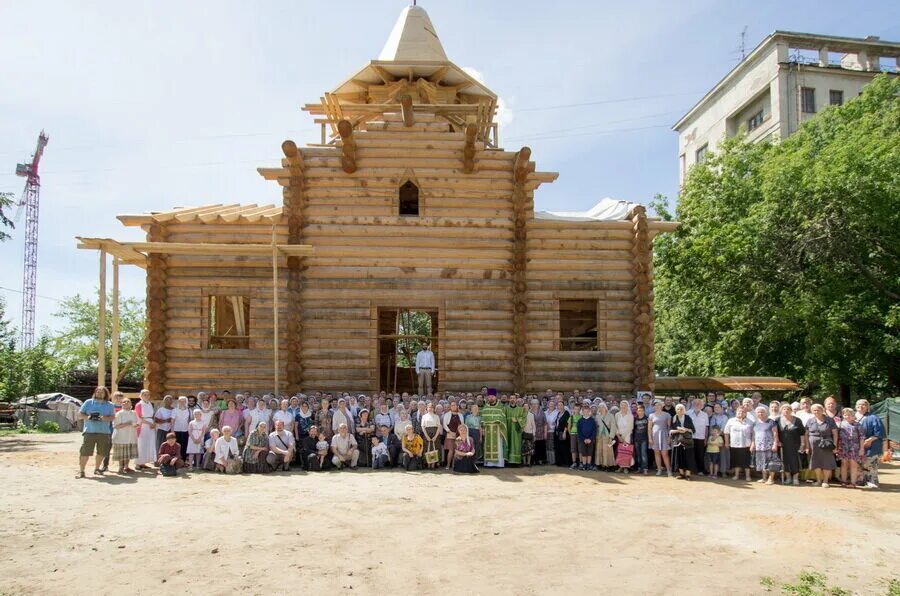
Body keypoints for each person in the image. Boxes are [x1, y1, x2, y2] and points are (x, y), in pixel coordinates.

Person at [77, 387, 116, 478]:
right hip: (89, 431)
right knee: (85, 452)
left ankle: (97, 469)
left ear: (105, 394)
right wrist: (89, 417)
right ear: (95, 392)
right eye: (98, 391)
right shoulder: (88, 402)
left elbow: (112, 417)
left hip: (104, 432)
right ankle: (82, 471)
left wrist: (102, 418)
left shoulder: (109, 405)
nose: (99, 393)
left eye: (102, 392)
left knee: (101, 452)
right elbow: (80, 414)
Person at [806, 404, 839, 488]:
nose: (816, 412)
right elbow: (806, 434)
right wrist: (807, 446)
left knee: (827, 461)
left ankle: (825, 481)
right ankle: (818, 480)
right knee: (815, 461)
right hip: (813, 444)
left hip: (827, 443)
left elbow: (835, 433)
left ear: (822, 410)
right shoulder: (810, 421)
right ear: (812, 411)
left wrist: (835, 445)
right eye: (814, 410)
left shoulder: (830, 420)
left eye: (818, 410)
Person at [856, 399, 886, 489]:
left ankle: (872, 481)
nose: (861, 406)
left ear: (867, 407)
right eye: (858, 404)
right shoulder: (852, 416)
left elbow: (879, 432)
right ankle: (860, 480)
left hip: (871, 444)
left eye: (863, 405)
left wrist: (869, 440)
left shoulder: (874, 417)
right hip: (855, 445)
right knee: (858, 463)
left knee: (871, 463)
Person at [777, 404, 807, 486]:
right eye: (784, 409)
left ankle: (795, 478)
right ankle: (788, 478)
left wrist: (803, 444)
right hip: (783, 445)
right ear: (781, 410)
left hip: (795, 445)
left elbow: (802, 433)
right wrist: (777, 441)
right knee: (785, 461)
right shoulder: (778, 420)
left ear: (791, 410)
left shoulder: (797, 420)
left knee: (795, 461)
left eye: (788, 409)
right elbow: (775, 432)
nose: (786, 411)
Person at [750, 406, 780, 485]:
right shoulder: (755, 423)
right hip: (759, 446)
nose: (760, 413)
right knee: (761, 462)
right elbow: (753, 435)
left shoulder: (771, 422)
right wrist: (753, 444)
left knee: (771, 462)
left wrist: (775, 444)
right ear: (756, 413)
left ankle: (771, 479)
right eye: (758, 412)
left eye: (762, 412)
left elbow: (775, 433)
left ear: (766, 413)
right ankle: (764, 478)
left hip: (769, 445)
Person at [837, 407, 865, 488]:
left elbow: (862, 437)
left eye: (848, 415)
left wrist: (861, 449)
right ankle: (843, 481)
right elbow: (837, 436)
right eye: (845, 415)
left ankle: (853, 483)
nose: (846, 416)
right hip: (843, 447)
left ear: (853, 415)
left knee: (853, 464)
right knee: (844, 464)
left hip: (854, 447)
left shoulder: (858, 425)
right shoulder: (841, 424)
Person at [111, 394, 138, 474]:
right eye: (124, 402)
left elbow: (137, 422)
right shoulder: (119, 414)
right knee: (121, 453)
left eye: (128, 401)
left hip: (131, 435)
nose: (126, 403)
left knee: (128, 452)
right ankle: (120, 468)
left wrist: (136, 425)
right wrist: (127, 424)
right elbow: (115, 426)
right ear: (121, 404)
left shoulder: (134, 413)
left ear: (131, 404)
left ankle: (126, 467)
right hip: (121, 436)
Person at [724, 408, 753, 481]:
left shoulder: (750, 422)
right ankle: (736, 475)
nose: (741, 412)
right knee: (736, 461)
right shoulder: (731, 420)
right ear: (736, 412)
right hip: (735, 444)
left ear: (746, 413)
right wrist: (727, 442)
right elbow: (726, 432)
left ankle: (747, 476)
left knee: (747, 461)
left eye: (743, 411)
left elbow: (753, 434)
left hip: (747, 444)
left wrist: (753, 443)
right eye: (739, 411)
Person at [669, 403, 696, 480]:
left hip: (687, 442)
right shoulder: (673, 418)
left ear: (684, 410)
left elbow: (693, 430)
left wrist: (685, 429)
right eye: (678, 409)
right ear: (676, 410)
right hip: (677, 441)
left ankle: (688, 474)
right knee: (678, 458)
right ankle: (681, 474)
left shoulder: (688, 418)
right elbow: (670, 431)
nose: (680, 410)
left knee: (688, 458)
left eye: (681, 409)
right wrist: (678, 430)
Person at [480, 392, 507, 468]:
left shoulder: (501, 407)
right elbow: (482, 419)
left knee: (498, 446)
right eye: (489, 396)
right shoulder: (485, 407)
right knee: (488, 446)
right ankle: (489, 463)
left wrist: (502, 431)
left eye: (492, 396)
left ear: (495, 397)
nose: (491, 398)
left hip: (498, 430)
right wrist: (483, 429)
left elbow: (503, 420)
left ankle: (499, 464)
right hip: (487, 430)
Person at [648, 399, 672, 477]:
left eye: (659, 405)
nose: (657, 406)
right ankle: (659, 470)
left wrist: (669, 437)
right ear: (654, 406)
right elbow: (649, 428)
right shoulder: (651, 415)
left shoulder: (667, 415)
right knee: (657, 453)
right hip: (654, 436)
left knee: (665, 454)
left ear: (662, 405)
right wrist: (650, 438)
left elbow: (669, 427)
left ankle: (669, 470)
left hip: (664, 435)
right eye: (655, 405)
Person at [685, 398, 709, 475]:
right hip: (690, 437)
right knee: (690, 454)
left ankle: (700, 470)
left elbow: (706, 427)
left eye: (699, 404)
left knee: (700, 455)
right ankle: (691, 470)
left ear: (702, 406)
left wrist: (705, 438)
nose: (697, 405)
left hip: (701, 438)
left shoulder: (705, 415)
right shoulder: (687, 413)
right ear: (692, 404)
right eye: (695, 403)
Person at [594, 402, 616, 470]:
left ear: (605, 408)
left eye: (602, 407)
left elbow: (613, 427)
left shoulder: (611, 416)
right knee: (599, 450)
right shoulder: (597, 416)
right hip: (599, 436)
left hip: (607, 436)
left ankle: (607, 465)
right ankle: (600, 464)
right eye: (600, 407)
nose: (601, 408)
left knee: (607, 451)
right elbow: (596, 427)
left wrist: (611, 437)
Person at [504, 396, 526, 466]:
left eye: (514, 398)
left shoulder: (521, 409)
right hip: (507, 430)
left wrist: (517, 420)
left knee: (516, 445)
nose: (512, 399)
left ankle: (516, 462)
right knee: (508, 444)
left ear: (516, 400)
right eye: (511, 398)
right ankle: (508, 461)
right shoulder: (505, 409)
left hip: (517, 431)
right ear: (509, 399)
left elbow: (524, 418)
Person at [442, 400, 464, 470]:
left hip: (458, 435)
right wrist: (450, 432)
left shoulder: (460, 415)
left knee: (456, 450)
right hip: (450, 434)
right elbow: (444, 425)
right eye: (452, 405)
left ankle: (454, 465)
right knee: (451, 450)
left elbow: (462, 425)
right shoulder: (447, 414)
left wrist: (460, 433)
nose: (454, 406)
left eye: (455, 405)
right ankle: (448, 465)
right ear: (450, 407)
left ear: (457, 406)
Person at [575, 404, 597, 471]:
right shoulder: (580, 421)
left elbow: (594, 431)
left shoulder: (592, 421)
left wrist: (590, 439)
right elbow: (579, 431)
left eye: (587, 411)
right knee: (584, 452)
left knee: (589, 452)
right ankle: (584, 465)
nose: (586, 413)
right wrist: (584, 439)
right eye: (584, 411)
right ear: (582, 412)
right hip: (582, 440)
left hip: (590, 440)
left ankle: (589, 465)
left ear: (589, 411)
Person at [420, 402, 442, 469]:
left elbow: (438, 427)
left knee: (435, 448)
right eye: (429, 407)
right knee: (427, 448)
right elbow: (423, 426)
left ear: (434, 409)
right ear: (427, 408)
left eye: (432, 407)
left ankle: (434, 463)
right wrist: (426, 436)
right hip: (427, 433)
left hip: (435, 433)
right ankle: (428, 463)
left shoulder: (436, 416)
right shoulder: (424, 416)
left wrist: (435, 436)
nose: (430, 408)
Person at [632, 403, 650, 474]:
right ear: (637, 411)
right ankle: (639, 468)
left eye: (641, 410)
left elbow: (649, 429)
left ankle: (645, 468)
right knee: (638, 455)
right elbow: (633, 429)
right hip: (636, 438)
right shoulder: (635, 419)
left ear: (644, 411)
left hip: (644, 439)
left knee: (644, 454)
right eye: (639, 410)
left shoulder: (647, 418)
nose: (640, 411)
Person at [554, 400, 571, 468]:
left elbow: (567, 423)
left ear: (563, 406)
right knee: (559, 447)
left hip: (563, 432)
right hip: (558, 432)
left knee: (565, 447)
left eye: (561, 405)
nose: (560, 406)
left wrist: (564, 432)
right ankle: (560, 462)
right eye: (559, 405)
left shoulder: (566, 413)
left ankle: (567, 462)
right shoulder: (558, 413)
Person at [531, 400, 548, 465]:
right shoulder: (529, 412)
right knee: (533, 447)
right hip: (532, 432)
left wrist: (545, 433)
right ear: (531, 405)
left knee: (540, 446)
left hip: (541, 432)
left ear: (538, 405)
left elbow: (545, 423)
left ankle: (540, 460)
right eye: (533, 404)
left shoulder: (542, 412)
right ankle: (534, 460)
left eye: (536, 404)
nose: (534, 405)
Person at [544, 400, 559, 465]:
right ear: (548, 405)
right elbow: (544, 421)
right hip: (546, 432)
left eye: (552, 405)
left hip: (553, 431)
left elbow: (557, 422)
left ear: (555, 406)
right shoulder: (545, 413)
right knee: (547, 446)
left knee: (552, 446)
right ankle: (547, 460)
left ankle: (553, 461)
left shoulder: (557, 412)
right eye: (550, 404)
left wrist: (552, 425)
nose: (551, 406)